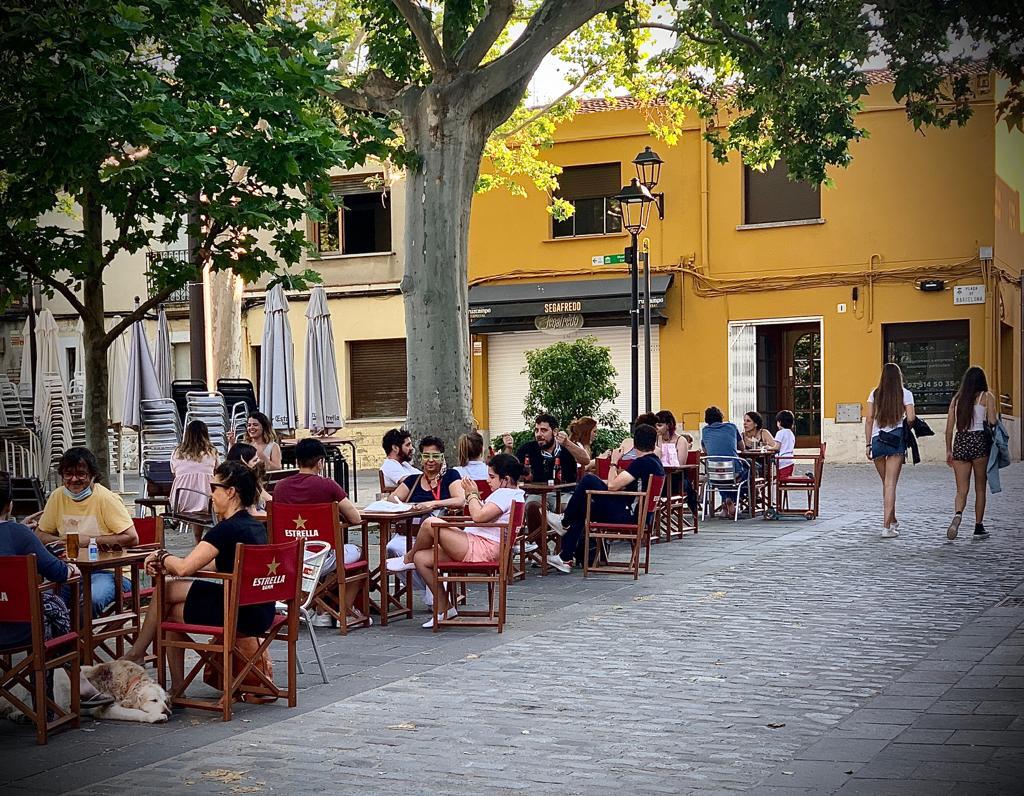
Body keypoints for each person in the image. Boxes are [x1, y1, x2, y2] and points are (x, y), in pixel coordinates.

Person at [124, 461, 274, 690]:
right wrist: (170, 563)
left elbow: (184, 568)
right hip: (259, 611)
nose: (210, 494)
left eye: (214, 487)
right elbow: (211, 564)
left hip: (238, 614)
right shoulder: (254, 527)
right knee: (170, 603)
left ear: (230, 492)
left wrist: (161, 556)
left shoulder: (226, 529)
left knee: (168, 599)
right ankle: (156, 668)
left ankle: (141, 656)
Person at [0, 474, 110, 709]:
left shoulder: (18, 533)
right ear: (10, 504)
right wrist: (70, 568)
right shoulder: (19, 534)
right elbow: (58, 573)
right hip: (17, 630)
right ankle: (54, 700)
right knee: (52, 606)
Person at [386, 454, 525, 627]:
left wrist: (472, 494)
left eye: (491, 477)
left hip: (482, 547)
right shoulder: (513, 494)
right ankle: (446, 608)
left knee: (430, 523)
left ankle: (407, 558)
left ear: (506, 480)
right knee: (421, 559)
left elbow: (479, 516)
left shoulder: (505, 493)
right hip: (479, 543)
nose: (488, 481)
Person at [545, 424, 665, 573]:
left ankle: (564, 522)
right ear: (653, 443)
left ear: (635, 443)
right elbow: (623, 484)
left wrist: (614, 462)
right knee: (584, 508)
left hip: (628, 516)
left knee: (588, 479)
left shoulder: (642, 463)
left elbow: (613, 486)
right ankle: (565, 558)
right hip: (640, 515)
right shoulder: (655, 463)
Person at [273, 438, 366, 626]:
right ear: (321, 462)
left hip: (289, 558)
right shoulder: (327, 485)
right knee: (359, 553)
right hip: (322, 556)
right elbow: (355, 518)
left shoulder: (280, 487)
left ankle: (321, 610)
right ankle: (344, 612)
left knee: (330, 559)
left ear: (297, 461)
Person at [33, 448, 139, 614]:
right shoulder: (57, 496)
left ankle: (78, 639)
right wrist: (67, 541)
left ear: (93, 475)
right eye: (68, 474)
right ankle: (64, 637)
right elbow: (40, 534)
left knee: (91, 599)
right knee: (41, 602)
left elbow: (132, 537)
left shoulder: (106, 499)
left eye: (81, 474)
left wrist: (91, 540)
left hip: (110, 573)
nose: (74, 479)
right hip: (69, 570)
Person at [502, 414, 577, 547]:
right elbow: (508, 468)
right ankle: (540, 551)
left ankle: (564, 551)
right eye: (536, 430)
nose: (538, 434)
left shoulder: (567, 448)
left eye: (543, 430)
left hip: (565, 493)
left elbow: (586, 460)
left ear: (554, 432)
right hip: (536, 493)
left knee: (569, 508)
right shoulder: (528, 449)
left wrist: (568, 443)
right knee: (532, 507)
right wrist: (508, 449)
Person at [944, 366, 998, 540]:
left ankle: (958, 515)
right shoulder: (986, 397)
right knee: (980, 487)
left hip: (961, 441)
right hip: (979, 442)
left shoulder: (957, 400)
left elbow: (949, 429)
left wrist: (949, 450)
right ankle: (978, 527)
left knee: (961, 489)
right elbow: (991, 421)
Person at [865, 362, 916, 539]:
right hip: (895, 440)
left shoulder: (874, 394)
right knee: (890, 484)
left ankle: (892, 521)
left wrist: (868, 444)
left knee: (886, 484)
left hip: (877, 440)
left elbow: (869, 419)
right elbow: (911, 418)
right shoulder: (905, 394)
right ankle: (886, 526)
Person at [170, 419, 218, 544]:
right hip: (205, 500)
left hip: (180, 499)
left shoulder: (177, 452)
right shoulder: (212, 452)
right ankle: (205, 541)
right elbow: (218, 472)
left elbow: (174, 473)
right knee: (207, 493)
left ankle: (196, 539)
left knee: (196, 494)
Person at [388, 436, 463, 513]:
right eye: (426, 456)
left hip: (441, 522)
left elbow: (460, 500)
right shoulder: (412, 480)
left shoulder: (451, 475)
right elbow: (392, 499)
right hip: (415, 522)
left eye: (435, 456)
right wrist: (411, 506)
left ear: (442, 458)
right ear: (421, 458)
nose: (430, 460)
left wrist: (433, 504)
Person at [700, 406, 747, 519]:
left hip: (714, 474)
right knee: (749, 470)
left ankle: (726, 504)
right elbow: (742, 447)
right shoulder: (731, 427)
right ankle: (732, 500)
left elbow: (705, 450)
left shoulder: (705, 430)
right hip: (733, 472)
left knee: (720, 474)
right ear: (721, 417)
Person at [656, 410, 697, 512]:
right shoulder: (655, 439)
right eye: (655, 425)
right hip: (660, 476)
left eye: (660, 425)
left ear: (669, 425)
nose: (656, 428)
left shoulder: (681, 440)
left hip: (677, 479)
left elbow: (680, 465)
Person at [226, 443, 272, 512]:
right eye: (255, 460)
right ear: (243, 463)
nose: (259, 462)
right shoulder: (244, 486)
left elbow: (271, 500)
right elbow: (253, 514)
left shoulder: (254, 482)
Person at [773, 411, 796, 480]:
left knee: (780, 480)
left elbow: (777, 447)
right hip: (790, 461)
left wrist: (768, 448)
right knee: (785, 479)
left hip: (782, 461)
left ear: (779, 422)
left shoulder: (780, 433)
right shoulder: (791, 433)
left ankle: (777, 490)